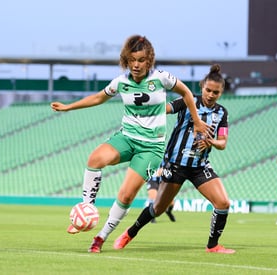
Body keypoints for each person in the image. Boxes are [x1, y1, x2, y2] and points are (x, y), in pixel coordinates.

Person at [50, 34, 209, 253]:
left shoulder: (161, 78)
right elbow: (98, 98)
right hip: (127, 137)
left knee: (126, 195)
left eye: (141, 60)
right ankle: (86, 209)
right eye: (132, 59)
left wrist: (198, 121)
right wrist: (69, 107)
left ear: (149, 60)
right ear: (126, 59)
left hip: (150, 147)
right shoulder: (121, 82)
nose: (136, 64)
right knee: (95, 159)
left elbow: (187, 93)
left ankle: (101, 236)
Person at [114, 64, 236, 254]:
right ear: (202, 86)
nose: (211, 95)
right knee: (158, 208)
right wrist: (145, 107)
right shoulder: (188, 101)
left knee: (223, 203)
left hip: (199, 166)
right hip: (175, 165)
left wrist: (211, 142)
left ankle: (213, 245)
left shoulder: (222, 113)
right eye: (208, 90)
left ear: (221, 93)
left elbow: (223, 143)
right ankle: (130, 233)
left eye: (216, 92)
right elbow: (165, 108)